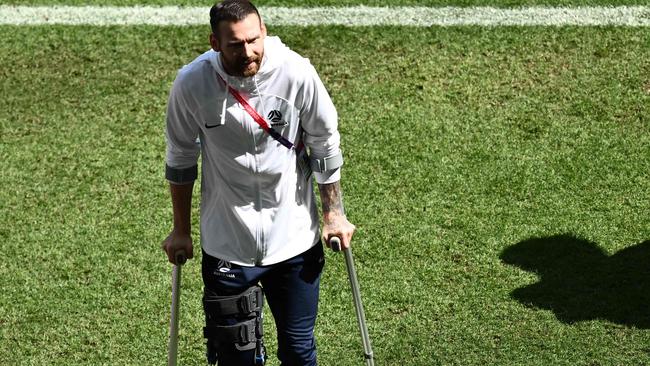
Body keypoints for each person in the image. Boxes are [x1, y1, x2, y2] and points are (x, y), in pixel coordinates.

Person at [161, 1, 355, 365]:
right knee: (236, 358)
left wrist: (334, 214)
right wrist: (180, 230)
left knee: (299, 352)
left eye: (254, 39)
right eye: (236, 44)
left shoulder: (296, 73)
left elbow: (324, 142)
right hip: (227, 242)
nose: (249, 52)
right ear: (215, 43)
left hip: (294, 240)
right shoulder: (192, 83)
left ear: (264, 31)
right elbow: (181, 158)